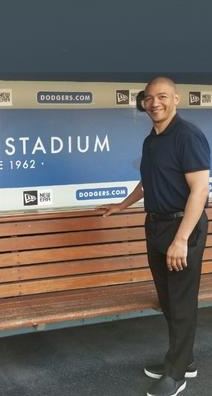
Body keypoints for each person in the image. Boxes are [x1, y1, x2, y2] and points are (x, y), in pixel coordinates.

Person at [100, 77, 210, 396]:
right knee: (167, 300)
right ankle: (182, 359)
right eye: (149, 98)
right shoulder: (152, 139)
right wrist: (121, 206)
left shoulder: (187, 135)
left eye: (162, 96)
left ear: (176, 99)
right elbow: (148, 181)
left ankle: (176, 374)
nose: (154, 103)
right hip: (156, 226)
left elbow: (200, 190)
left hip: (182, 228)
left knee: (181, 301)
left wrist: (181, 239)